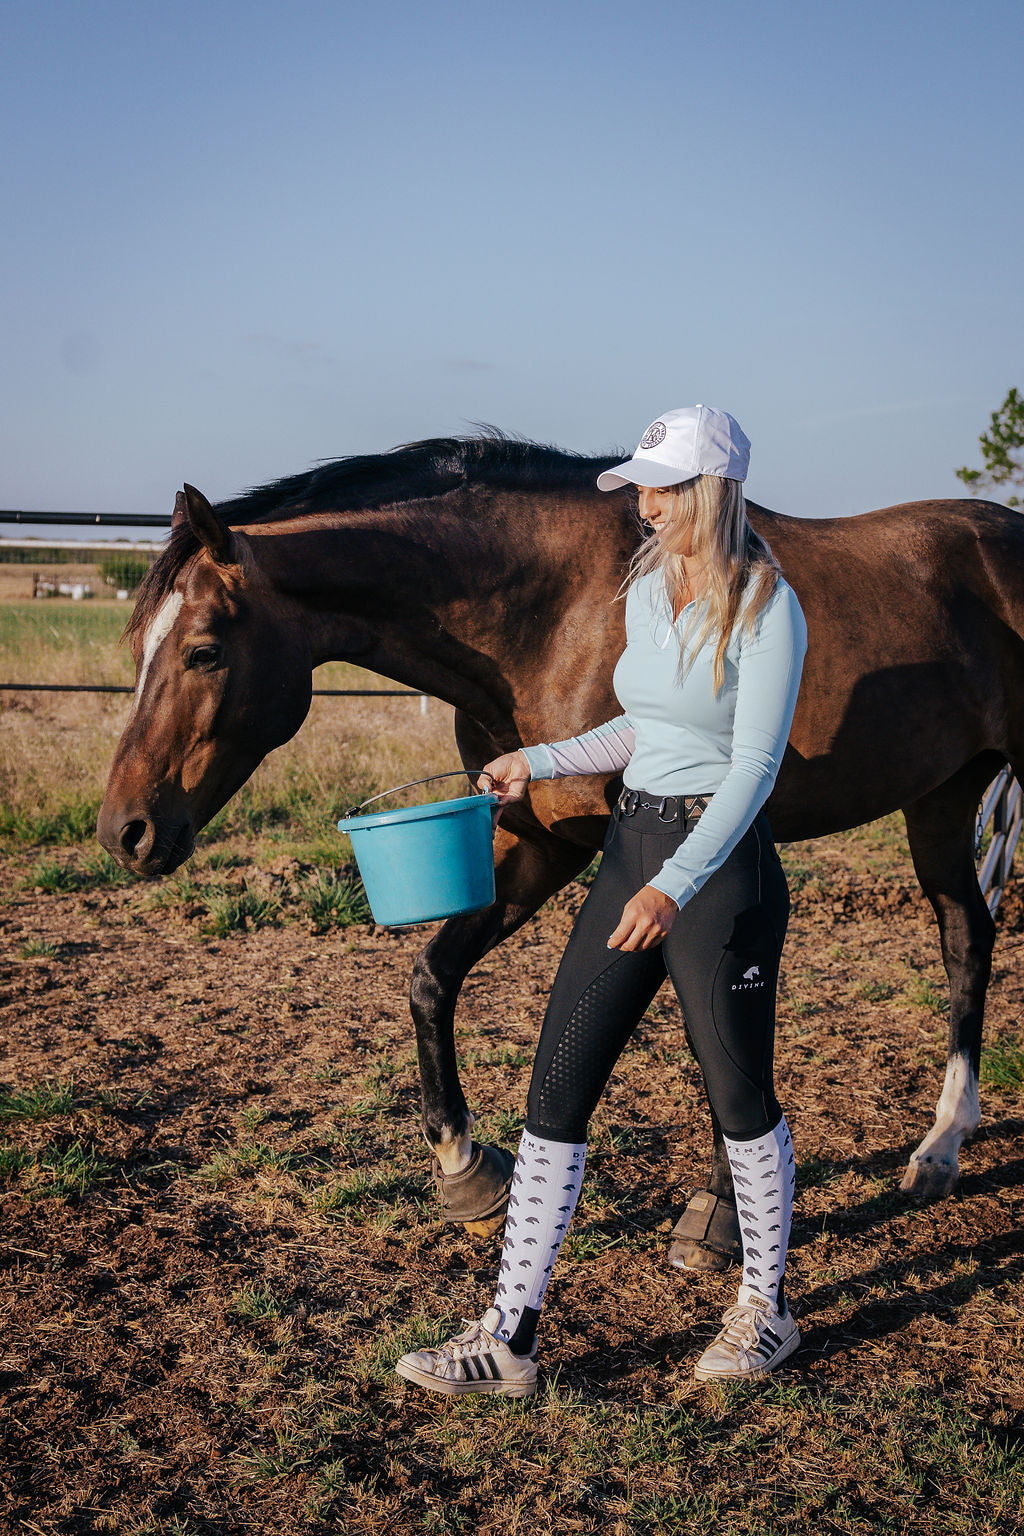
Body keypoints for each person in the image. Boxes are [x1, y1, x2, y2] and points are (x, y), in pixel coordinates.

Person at [396, 404, 808, 1396]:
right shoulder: (653, 587)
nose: (644, 501)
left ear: (706, 491)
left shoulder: (765, 606)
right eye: (642, 485)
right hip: (633, 843)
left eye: (661, 486)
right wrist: (535, 760)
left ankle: (766, 1312)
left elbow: (752, 768)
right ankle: (510, 1335)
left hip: (718, 872)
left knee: (739, 1099)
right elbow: (641, 728)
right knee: (556, 1085)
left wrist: (674, 887)